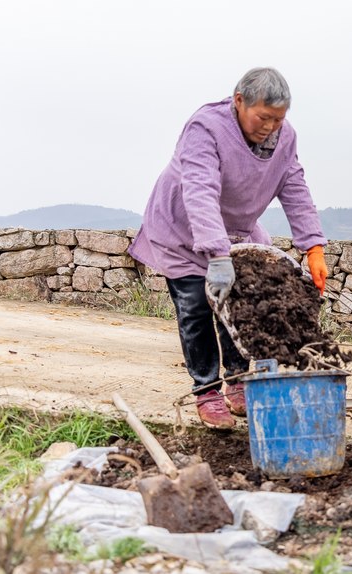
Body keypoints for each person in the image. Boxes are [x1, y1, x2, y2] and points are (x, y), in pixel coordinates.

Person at [129, 67, 328, 430]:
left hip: (236, 230)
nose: (270, 127)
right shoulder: (205, 128)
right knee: (196, 307)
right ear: (239, 101)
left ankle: (237, 382)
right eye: (263, 117)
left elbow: (294, 184)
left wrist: (313, 246)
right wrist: (217, 256)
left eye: (278, 119)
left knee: (239, 303)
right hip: (182, 228)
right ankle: (206, 389)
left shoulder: (285, 137)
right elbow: (200, 191)